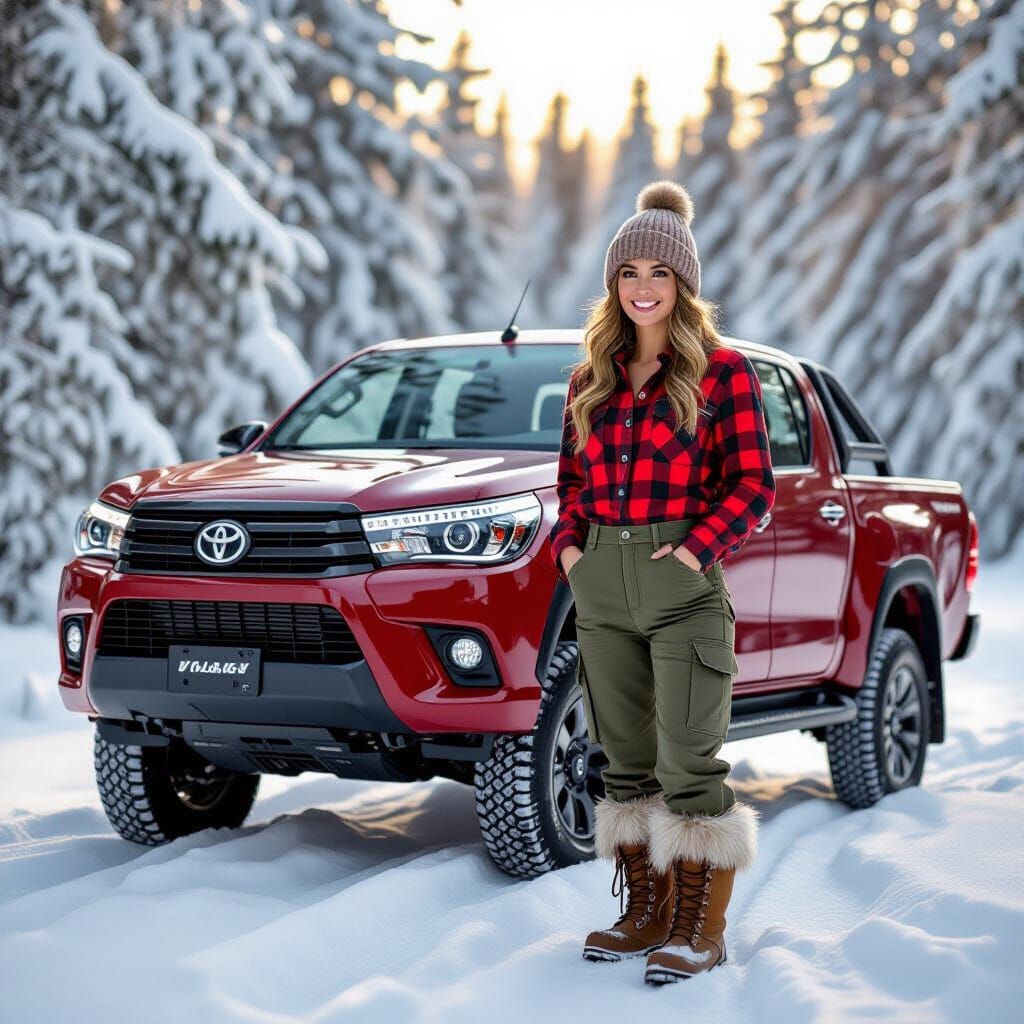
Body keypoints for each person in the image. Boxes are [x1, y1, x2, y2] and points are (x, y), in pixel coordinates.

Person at [548, 180, 776, 985]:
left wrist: (691, 552)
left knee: (689, 761)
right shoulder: (591, 380)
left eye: (660, 271)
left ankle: (700, 929)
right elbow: (569, 485)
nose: (643, 286)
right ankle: (644, 914)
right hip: (602, 586)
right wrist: (573, 557)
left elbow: (754, 486)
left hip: (682, 587)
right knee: (624, 762)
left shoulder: (721, 373)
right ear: (613, 283)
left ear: (684, 283)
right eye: (629, 271)